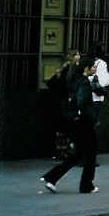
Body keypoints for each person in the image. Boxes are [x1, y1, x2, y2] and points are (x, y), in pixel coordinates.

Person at [40, 57, 99, 194]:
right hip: (84, 122)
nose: (95, 69)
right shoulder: (84, 82)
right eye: (93, 67)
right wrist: (92, 118)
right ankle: (86, 185)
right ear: (86, 68)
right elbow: (82, 102)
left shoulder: (74, 80)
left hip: (73, 121)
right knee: (90, 153)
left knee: (78, 154)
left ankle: (52, 177)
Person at [46, 49, 80, 161]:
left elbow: (51, 83)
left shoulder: (62, 69)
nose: (78, 56)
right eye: (76, 54)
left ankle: (60, 151)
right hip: (67, 102)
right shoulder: (72, 70)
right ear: (71, 57)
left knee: (61, 128)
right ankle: (65, 151)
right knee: (68, 127)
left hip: (59, 101)